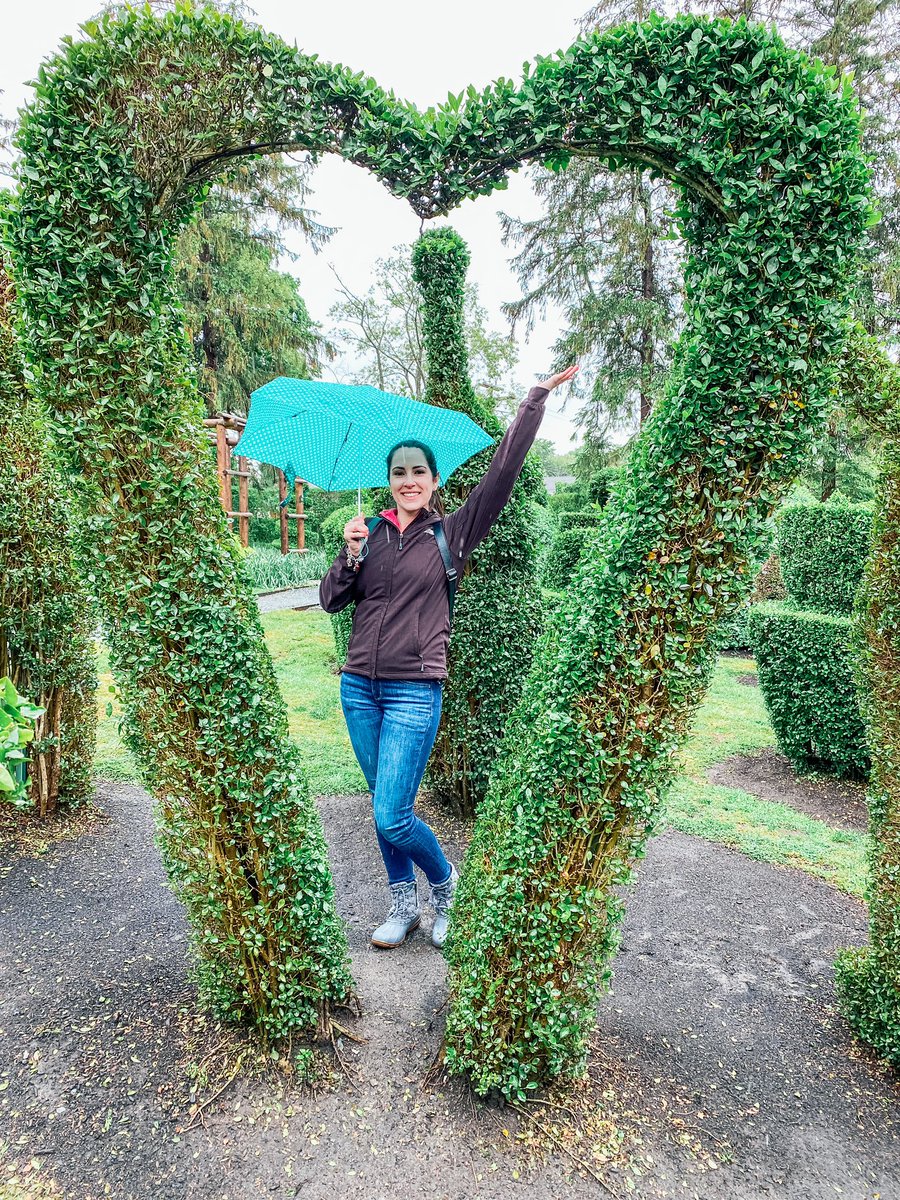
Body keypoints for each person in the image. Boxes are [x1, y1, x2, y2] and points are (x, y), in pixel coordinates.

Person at [319, 365, 579, 951]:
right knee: (385, 801)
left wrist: (533, 402)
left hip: (415, 690)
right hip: (359, 687)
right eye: (398, 472)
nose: (408, 480)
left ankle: (444, 883)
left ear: (435, 480)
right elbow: (331, 600)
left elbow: (502, 475)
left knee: (391, 813)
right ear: (388, 480)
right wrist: (349, 554)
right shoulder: (368, 534)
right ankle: (401, 903)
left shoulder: (452, 534)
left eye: (418, 471)